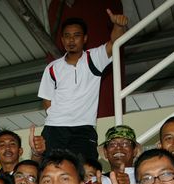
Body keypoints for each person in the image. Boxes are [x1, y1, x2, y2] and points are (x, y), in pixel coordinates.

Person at [37, 11, 128, 162]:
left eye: (76, 35)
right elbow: (47, 99)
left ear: (85, 38)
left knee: (86, 169)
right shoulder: (52, 68)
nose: (71, 40)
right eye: (67, 36)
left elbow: (114, 44)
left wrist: (118, 26)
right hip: (54, 129)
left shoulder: (94, 58)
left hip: (84, 129)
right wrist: (59, 117)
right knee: (52, 169)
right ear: (62, 40)